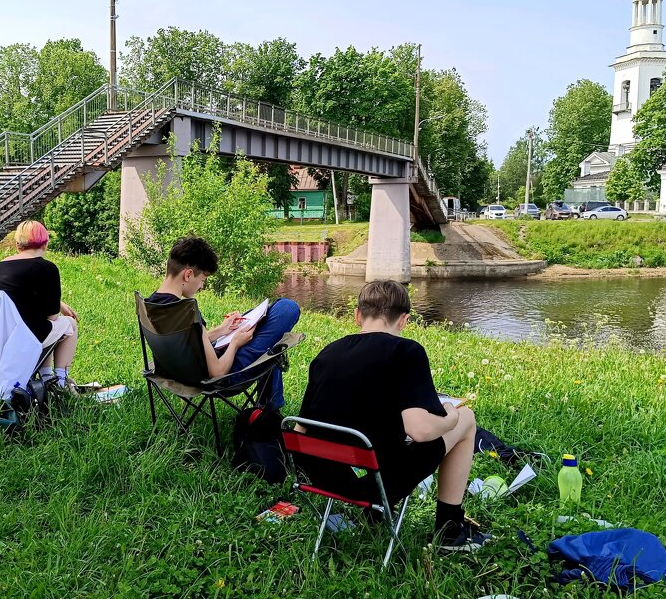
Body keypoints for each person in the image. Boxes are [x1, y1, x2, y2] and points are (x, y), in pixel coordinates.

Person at [297, 279, 490, 552]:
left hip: (329, 479)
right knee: (467, 418)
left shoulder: (327, 353)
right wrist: (450, 418)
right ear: (404, 320)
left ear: (357, 315)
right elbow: (419, 430)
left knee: (375, 436)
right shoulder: (407, 352)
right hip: (377, 485)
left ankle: (372, 514)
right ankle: (450, 530)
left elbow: (303, 429)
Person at [145, 236, 300, 410]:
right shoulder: (187, 311)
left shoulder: (151, 305)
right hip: (220, 378)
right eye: (202, 280)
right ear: (188, 274)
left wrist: (221, 330)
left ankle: (270, 404)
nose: (201, 287)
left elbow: (187, 340)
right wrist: (234, 343)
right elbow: (217, 372)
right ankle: (269, 408)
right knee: (286, 308)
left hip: (176, 371)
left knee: (258, 321)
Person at [0, 221, 79, 390]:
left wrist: (59, 303)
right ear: (45, 244)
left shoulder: (2, 265)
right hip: (26, 337)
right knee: (69, 325)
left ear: (17, 244)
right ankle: (60, 380)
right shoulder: (47, 268)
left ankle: (45, 377)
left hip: (1, 335)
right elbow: (52, 317)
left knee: (47, 326)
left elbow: (18, 294)